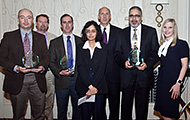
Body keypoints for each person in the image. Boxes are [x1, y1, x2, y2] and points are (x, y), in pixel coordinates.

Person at [0, 8, 49, 120]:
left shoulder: (41, 37)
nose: (26, 20)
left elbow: (46, 57)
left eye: (29, 17)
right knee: (18, 115)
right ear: (18, 19)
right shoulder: (8, 36)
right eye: (22, 17)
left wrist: (42, 67)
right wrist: (16, 68)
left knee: (39, 115)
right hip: (17, 78)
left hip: (37, 79)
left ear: (32, 20)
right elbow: (2, 58)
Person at [115, 6, 159, 120]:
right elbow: (117, 54)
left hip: (143, 76)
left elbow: (156, 54)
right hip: (126, 76)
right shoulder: (121, 33)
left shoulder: (151, 32)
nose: (134, 18)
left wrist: (147, 65)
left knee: (142, 110)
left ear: (141, 18)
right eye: (131, 15)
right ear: (128, 18)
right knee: (125, 109)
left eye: (137, 15)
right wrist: (123, 63)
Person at [154, 18, 189, 119]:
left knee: (169, 114)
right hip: (162, 83)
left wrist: (178, 83)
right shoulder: (162, 46)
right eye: (165, 27)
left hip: (173, 84)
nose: (167, 30)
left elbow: (184, 66)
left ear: (174, 29)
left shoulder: (181, 44)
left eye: (170, 27)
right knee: (163, 113)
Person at [49, 14, 81, 120]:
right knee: (61, 110)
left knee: (78, 109)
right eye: (64, 22)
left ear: (72, 24)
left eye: (69, 22)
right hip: (61, 80)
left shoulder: (80, 41)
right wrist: (59, 72)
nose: (67, 25)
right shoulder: (54, 43)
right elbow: (51, 61)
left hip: (77, 80)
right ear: (61, 25)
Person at [76, 20, 108, 120]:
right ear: (85, 33)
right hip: (83, 87)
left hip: (99, 88)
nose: (90, 33)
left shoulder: (104, 48)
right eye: (88, 31)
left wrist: (93, 88)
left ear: (97, 32)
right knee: (84, 116)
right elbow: (80, 68)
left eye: (93, 31)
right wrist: (90, 87)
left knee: (98, 116)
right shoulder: (79, 48)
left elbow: (102, 69)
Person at [98, 6, 122, 120]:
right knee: (99, 105)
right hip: (98, 75)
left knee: (115, 104)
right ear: (98, 17)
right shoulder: (93, 32)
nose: (104, 16)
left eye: (106, 13)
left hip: (114, 74)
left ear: (110, 16)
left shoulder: (119, 32)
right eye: (102, 14)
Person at [35, 14, 56, 120]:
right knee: (37, 100)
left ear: (48, 24)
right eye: (40, 21)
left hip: (49, 73)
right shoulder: (30, 37)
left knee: (49, 99)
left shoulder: (54, 38)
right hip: (34, 74)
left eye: (45, 22)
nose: (43, 24)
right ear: (36, 23)